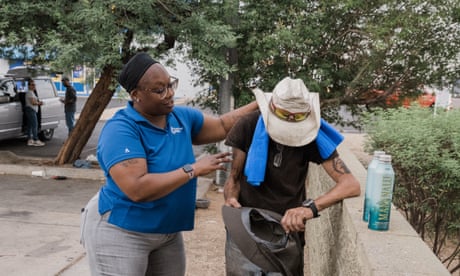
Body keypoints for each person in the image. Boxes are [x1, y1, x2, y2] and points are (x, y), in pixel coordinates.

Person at [80, 52, 258, 276]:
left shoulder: (179, 117)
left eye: (170, 84)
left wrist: (261, 103)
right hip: (121, 230)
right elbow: (137, 188)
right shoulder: (121, 130)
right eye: (159, 90)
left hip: (166, 233)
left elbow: (223, 125)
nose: (170, 94)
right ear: (136, 95)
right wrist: (193, 169)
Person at [223, 77, 361, 275]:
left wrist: (310, 208)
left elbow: (350, 184)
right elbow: (233, 179)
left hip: (286, 231)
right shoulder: (248, 125)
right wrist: (231, 198)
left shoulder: (313, 136)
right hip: (245, 227)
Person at [24, 79, 45, 146]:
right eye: (32, 85)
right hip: (31, 110)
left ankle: (30, 140)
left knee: (30, 126)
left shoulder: (32, 92)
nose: (34, 86)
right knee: (34, 125)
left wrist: (38, 103)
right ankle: (36, 139)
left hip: (31, 110)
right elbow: (33, 102)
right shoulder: (29, 92)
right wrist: (39, 103)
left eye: (34, 85)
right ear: (29, 86)